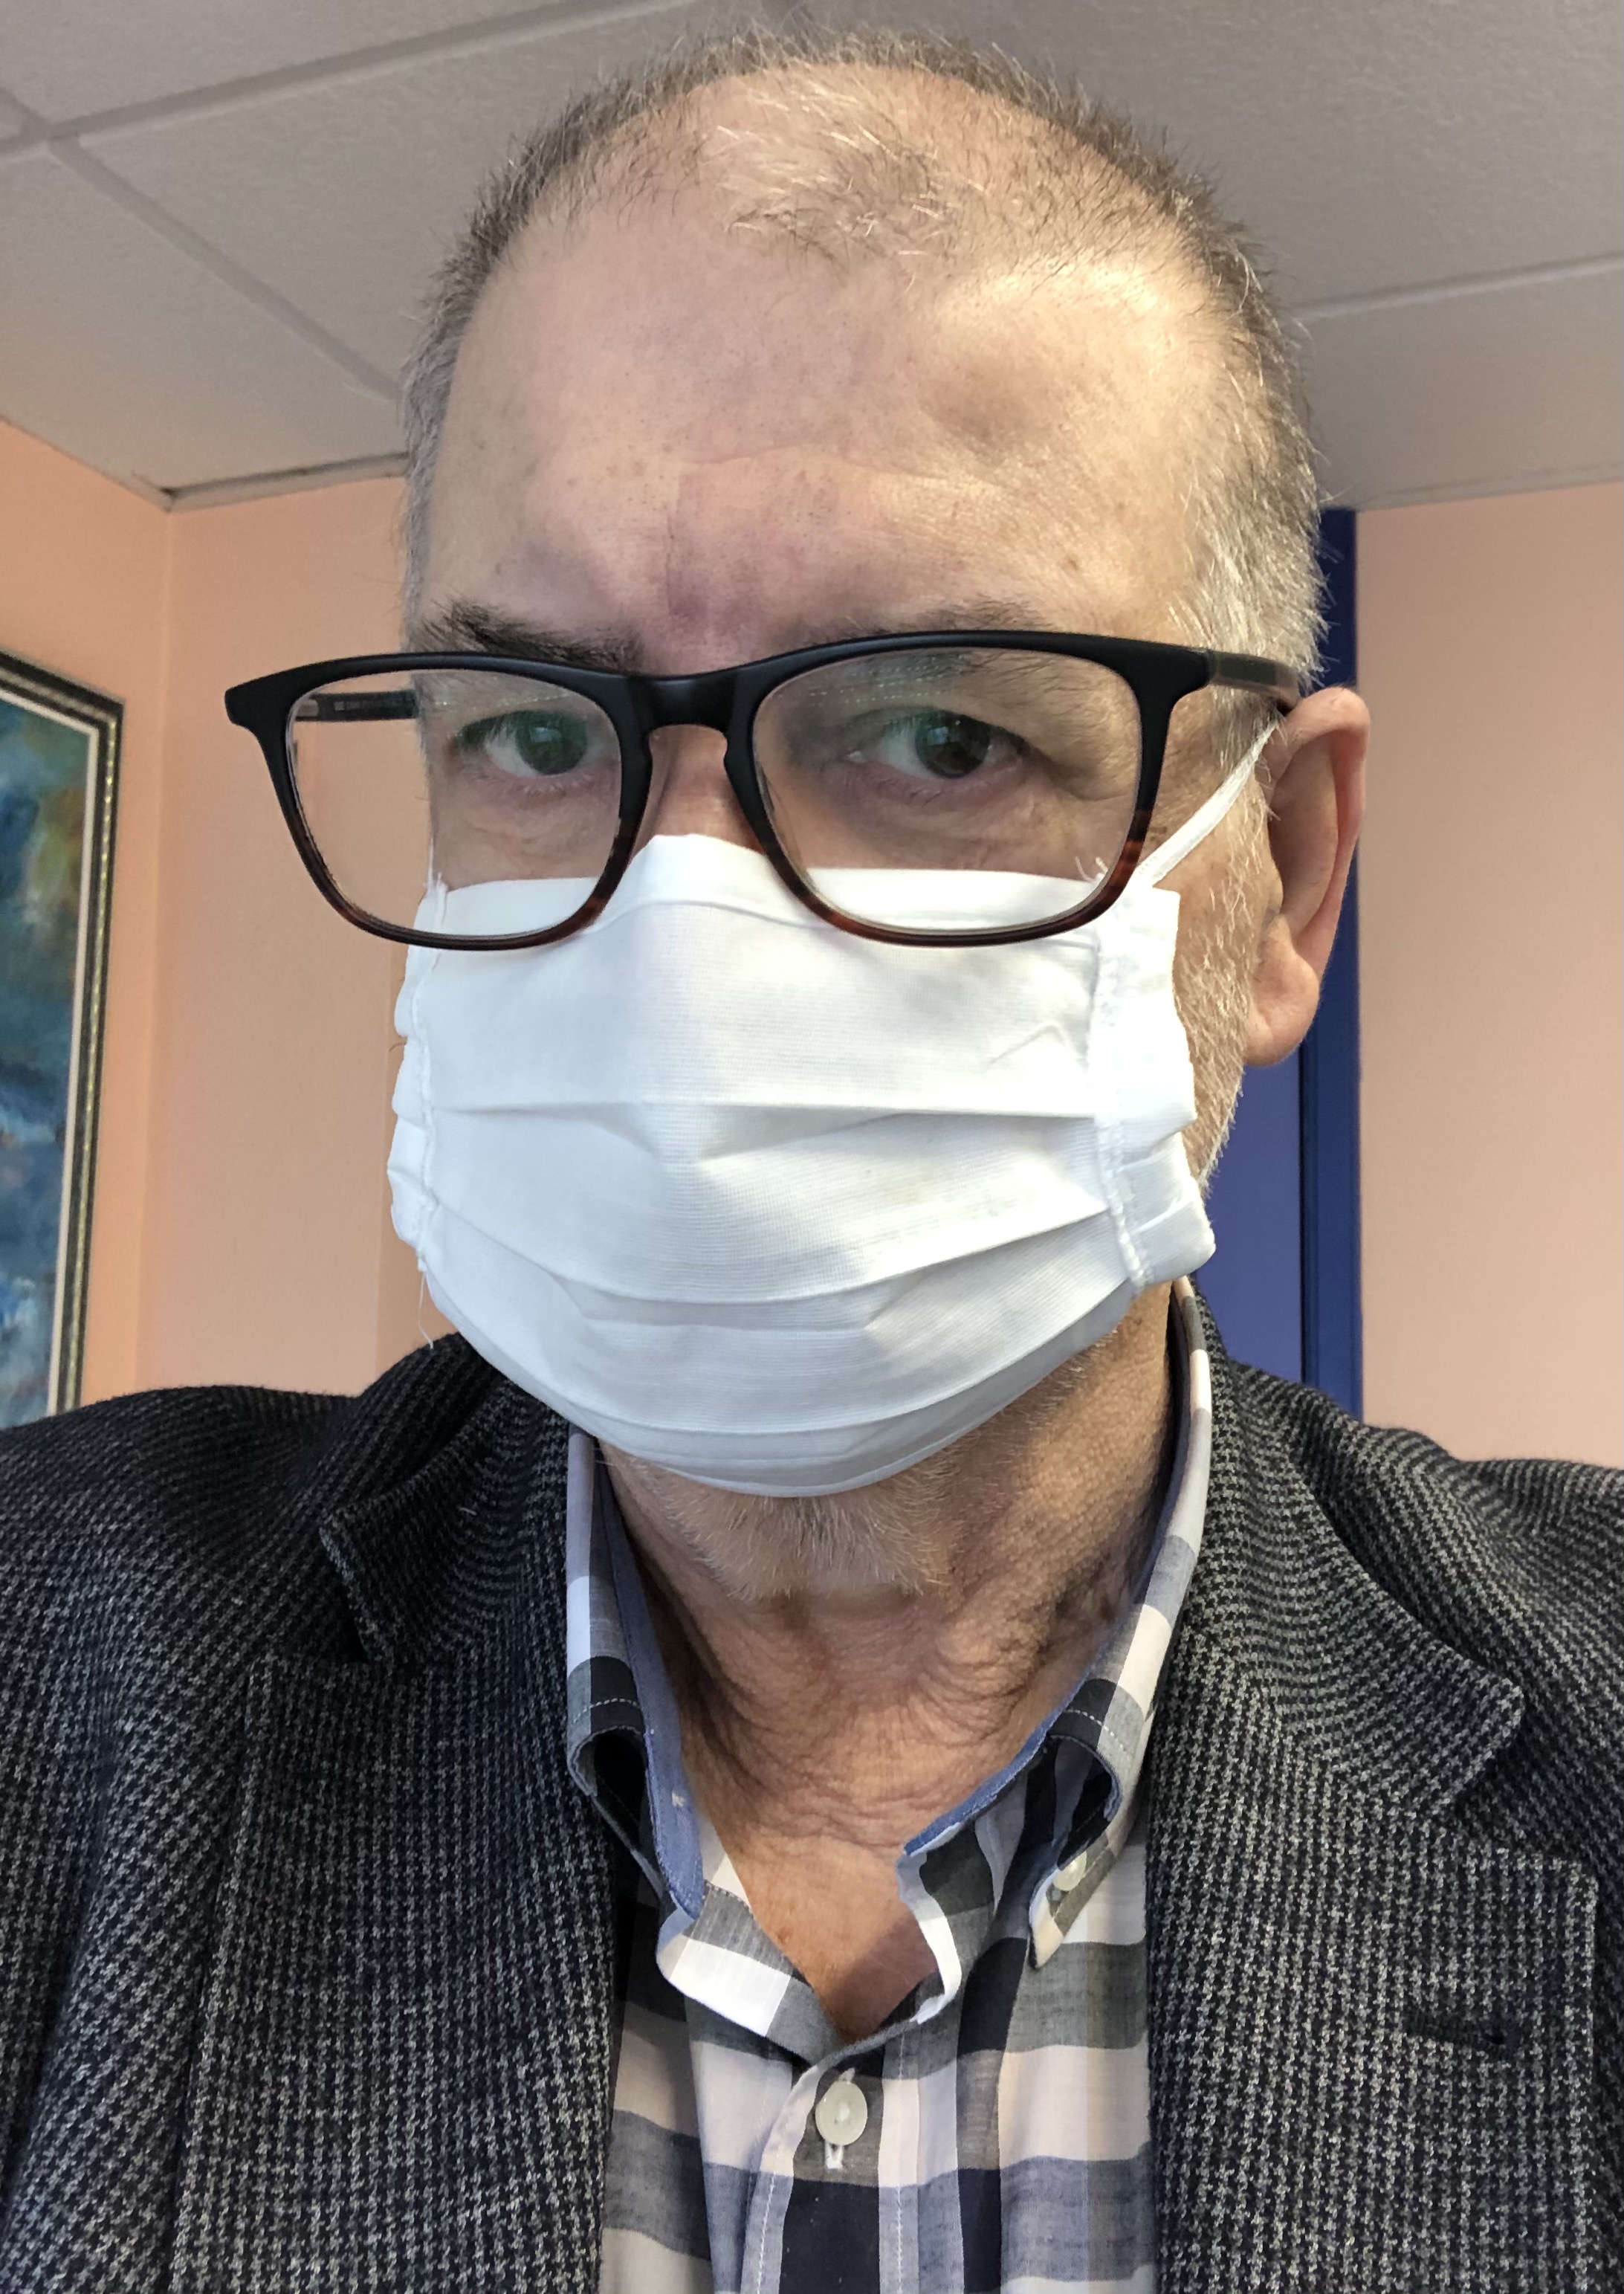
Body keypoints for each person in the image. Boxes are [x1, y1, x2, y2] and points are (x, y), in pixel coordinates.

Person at [0, 27, 1617, 2294]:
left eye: (937, 733)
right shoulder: (54, 1675)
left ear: (1286, 880)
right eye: (537, 729)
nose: (686, 935)